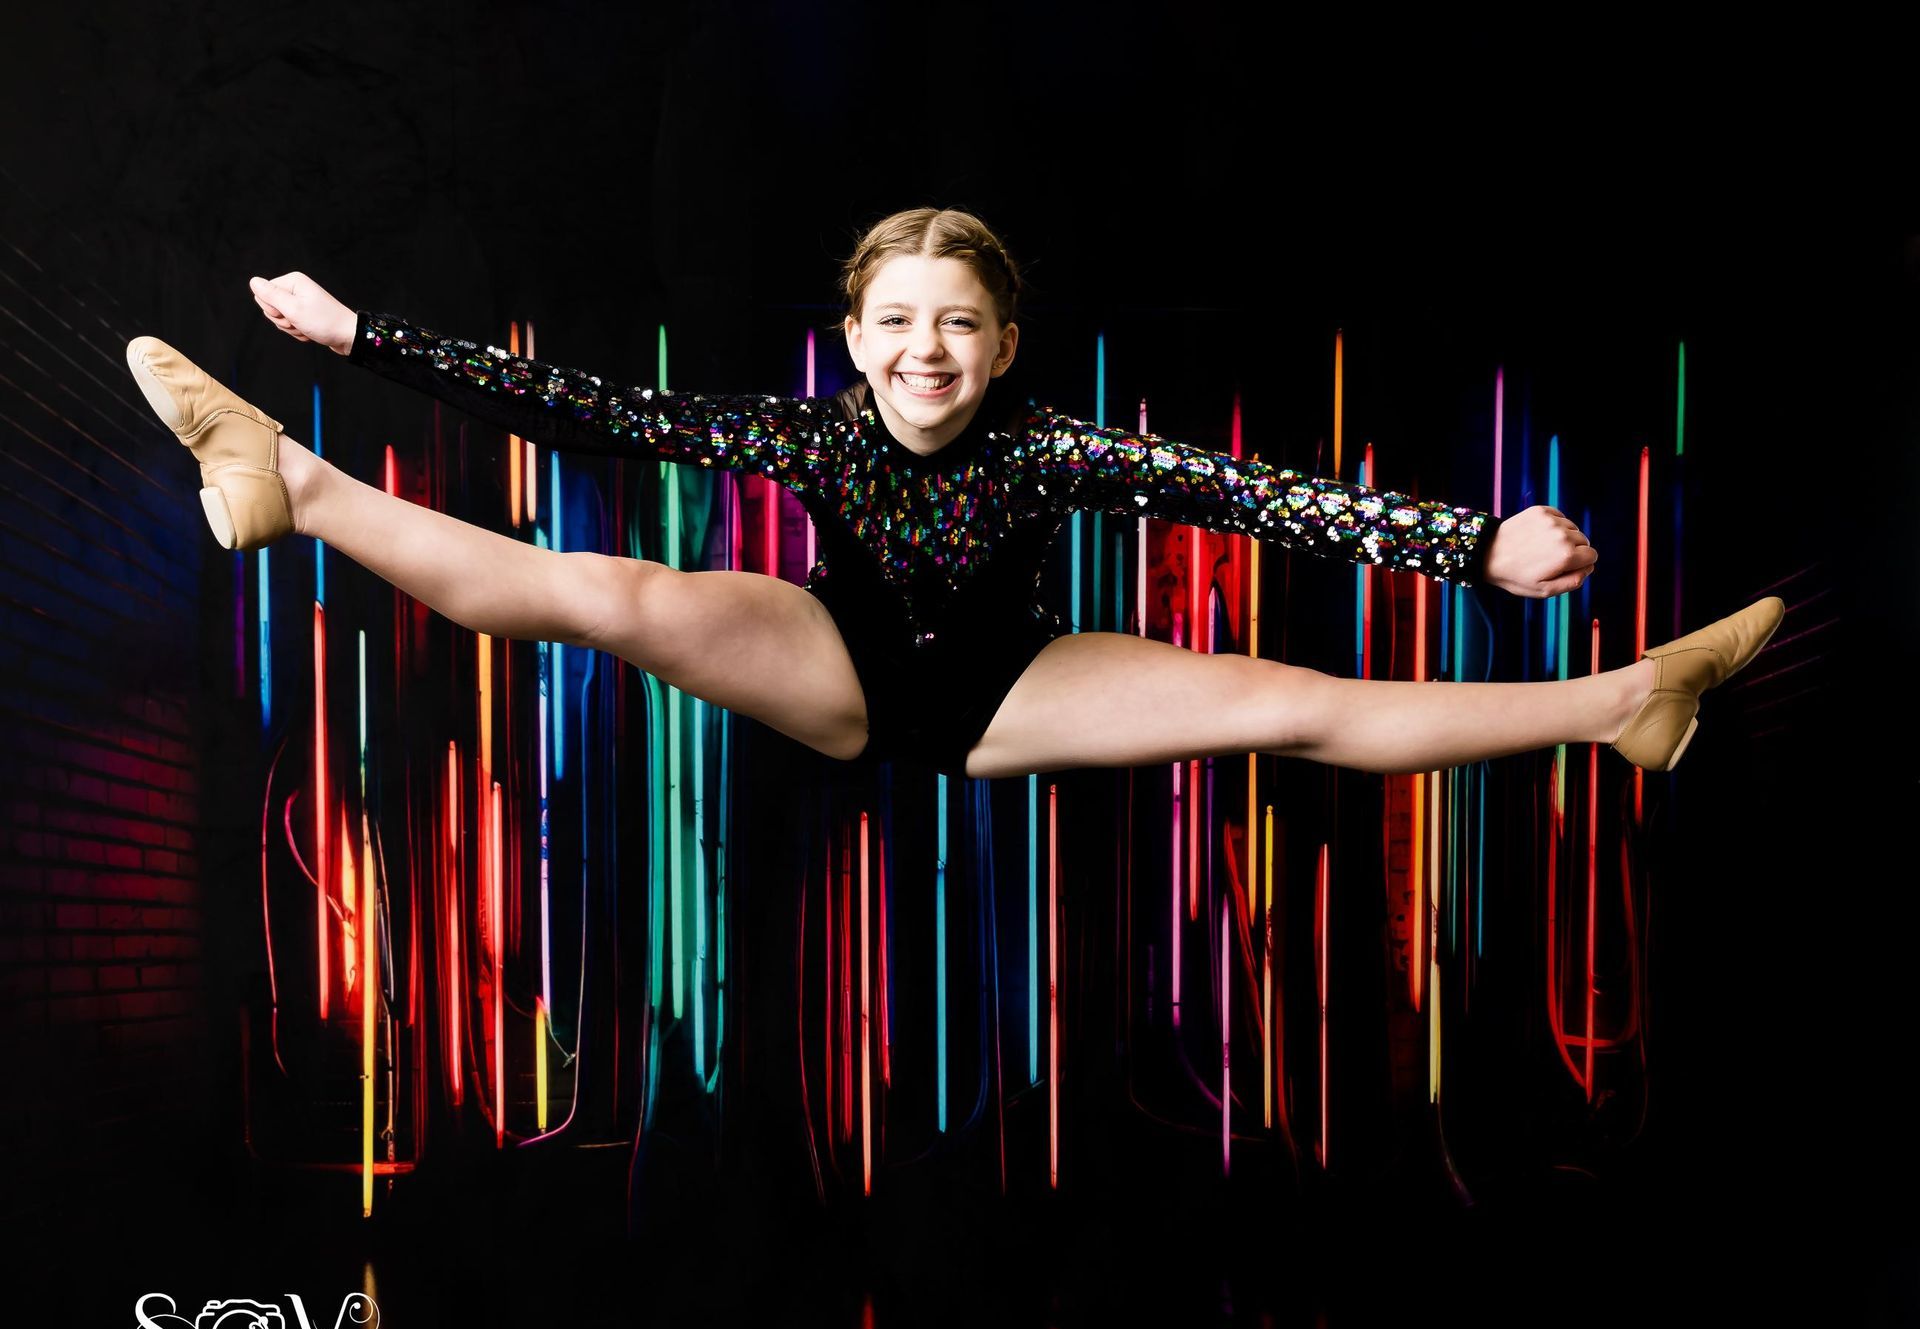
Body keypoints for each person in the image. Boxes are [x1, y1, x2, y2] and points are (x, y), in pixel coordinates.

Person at [123, 207, 1783, 780]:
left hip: (1016, 682)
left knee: (1296, 703)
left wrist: (1476, 547)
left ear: (1002, 349)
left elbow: (1258, 493)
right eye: (898, 323)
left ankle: (1626, 702)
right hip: (835, 659)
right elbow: (591, 410)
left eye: (960, 325)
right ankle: (295, 476)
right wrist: (364, 338)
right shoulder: (810, 435)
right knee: (606, 593)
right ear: (854, 339)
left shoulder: (1056, 444)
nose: (927, 351)